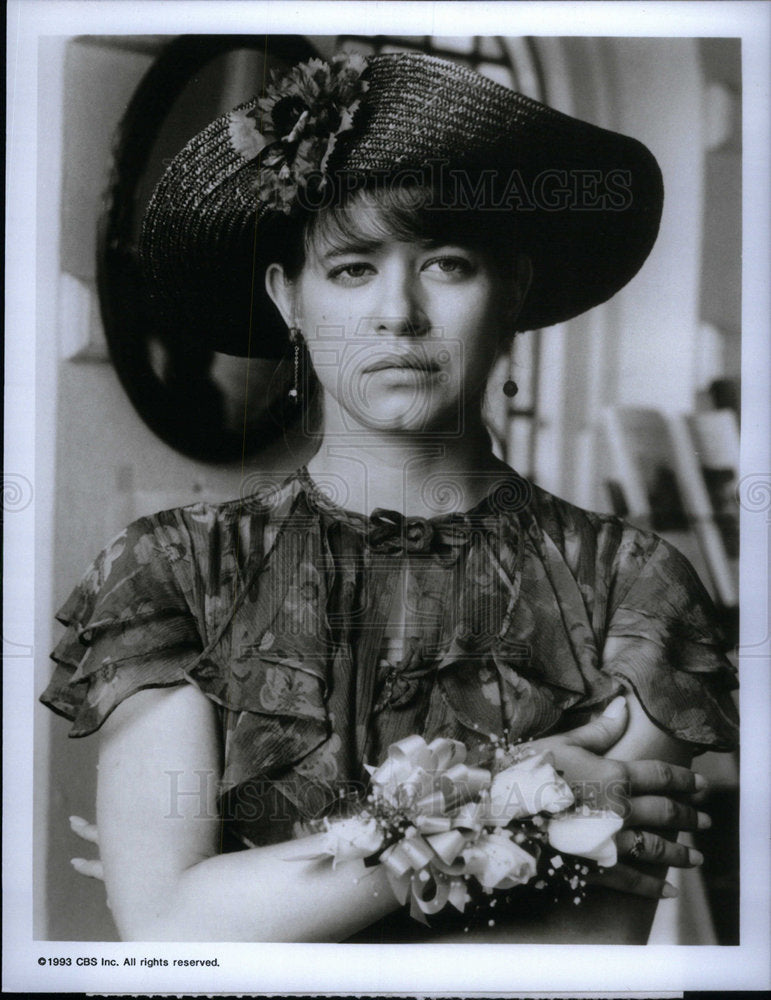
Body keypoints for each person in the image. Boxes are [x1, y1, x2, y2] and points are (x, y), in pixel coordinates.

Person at [42, 50, 738, 943]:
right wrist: (508, 799)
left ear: (514, 286)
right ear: (287, 297)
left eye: (446, 264)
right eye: (352, 268)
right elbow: (169, 924)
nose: (398, 314)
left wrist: (282, 887)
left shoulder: (631, 586)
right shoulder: (172, 570)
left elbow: (581, 948)